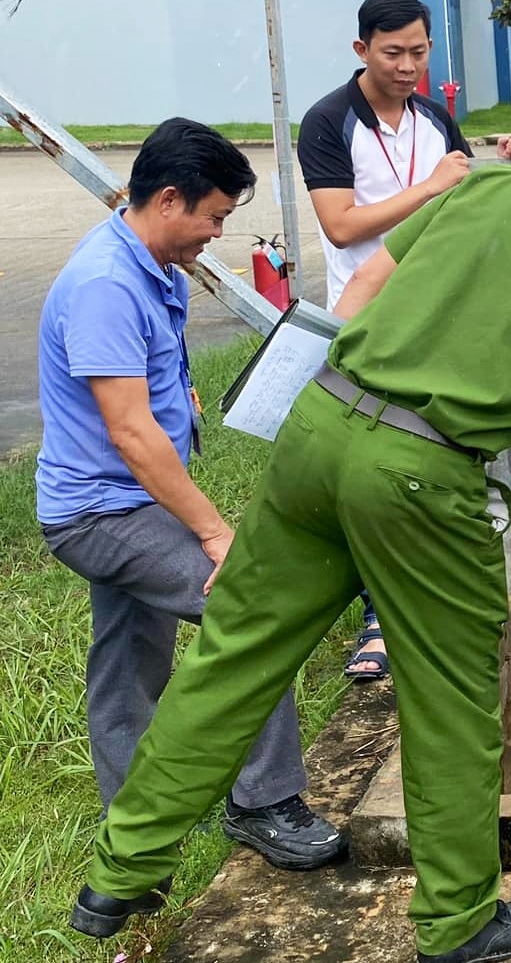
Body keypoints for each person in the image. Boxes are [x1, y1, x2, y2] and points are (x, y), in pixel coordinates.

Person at [70, 155, 511, 963]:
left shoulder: (501, 184)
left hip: (318, 426)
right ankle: (458, 923)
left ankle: (123, 868)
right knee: (451, 702)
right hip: (422, 477)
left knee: (231, 656)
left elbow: (366, 284)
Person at [37, 119, 346, 879]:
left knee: (127, 659)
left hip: (120, 500)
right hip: (102, 512)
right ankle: (263, 803)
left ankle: (133, 824)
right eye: (213, 217)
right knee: (249, 608)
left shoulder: (147, 263)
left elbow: (147, 401)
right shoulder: (108, 283)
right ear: (168, 200)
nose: (216, 233)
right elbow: (132, 434)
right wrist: (213, 533)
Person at [297, 0, 511, 682]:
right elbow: (342, 225)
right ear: (361, 50)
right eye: (393, 52)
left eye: (420, 51)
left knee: (433, 460)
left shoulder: (434, 118)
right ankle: (375, 617)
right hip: (365, 319)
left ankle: (423, 604)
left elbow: (464, 194)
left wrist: (509, 158)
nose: (408, 66)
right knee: (375, 464)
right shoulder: (328, 121)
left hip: (438, 318)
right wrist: (434, 186)